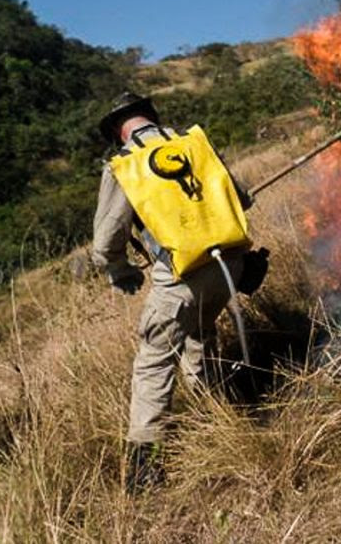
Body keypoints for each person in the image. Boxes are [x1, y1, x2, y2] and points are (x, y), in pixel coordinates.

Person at [92, 92, 255, 495]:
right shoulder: (194, 142)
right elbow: (242, 197)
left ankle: (145, 467)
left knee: (153, 362)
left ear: (118, 131)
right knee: (200, 332)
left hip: (181, 278)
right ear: (151, 115)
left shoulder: (124, 164)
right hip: (231, 266)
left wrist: (120, 270)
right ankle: (222, 412)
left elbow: (105, 241)